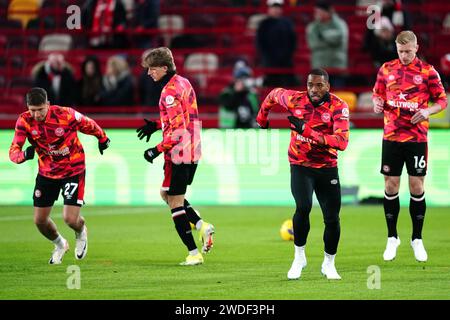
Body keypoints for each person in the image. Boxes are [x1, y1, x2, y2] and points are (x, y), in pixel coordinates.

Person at [256, 68, 350, 280]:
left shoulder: (338, 106)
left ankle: (329, 263)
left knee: (332, 218)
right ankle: (299, 257)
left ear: (328, 86)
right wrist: (262, 118)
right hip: (300, 164)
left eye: (319, 85)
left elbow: (342, 142)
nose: (313, 90)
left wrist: (306, 131)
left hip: (327, 167)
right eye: (310, 85)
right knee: (303, 206)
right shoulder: (294, 99)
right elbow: (272, 95)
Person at [9, 87, 110, 264]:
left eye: (40, 109)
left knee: (70, 219)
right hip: (47, 172)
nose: (37, 114)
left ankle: (80, 231)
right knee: (39, 221)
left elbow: (88, 123)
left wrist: (102, 138)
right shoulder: (24, 121)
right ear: (27, 107)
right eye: (32, 110)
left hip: (73, 169)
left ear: (48, 104)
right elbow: (13, 150)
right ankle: (60, 244)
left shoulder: (65, 114)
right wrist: (23, 156)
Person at [372, 31, 447, 262]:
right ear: (396, 49)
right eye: (400, 51)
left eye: (408, 51)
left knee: (416, 186)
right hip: (392, 136)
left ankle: (417, 238)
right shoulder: (386, 69)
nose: (404, 55)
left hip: (416, 139)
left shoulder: (427, 72)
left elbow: (442, 100)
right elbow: (377, 93)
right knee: (391, 184)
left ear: (416, 48)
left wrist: (427, 110)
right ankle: (392, 237)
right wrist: (376, 102)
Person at [136, 47, 215, 266]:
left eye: (152, 69)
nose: (149, 73)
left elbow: (178, 130)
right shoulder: (184, 82)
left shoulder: (168, 92)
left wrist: (156, 149)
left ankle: (193, 253)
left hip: (179, 150)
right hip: (193, 147)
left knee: (175, 202)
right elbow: (183, 118)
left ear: (164, 68)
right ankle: (201, 226)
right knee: (167, 194)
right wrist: (156, 125)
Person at [256, 0, 299, 87]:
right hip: (270, 63)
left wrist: (287, 56)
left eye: (278, 7)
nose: (276, 10)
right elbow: (260, 43)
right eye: (273, 7)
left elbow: (293, 41)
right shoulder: (264, 24)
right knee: (272, 89)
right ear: (269, 9)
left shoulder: (287, 23)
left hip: (286, 63)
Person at [306, 0, 348, 87]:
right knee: (320, 98)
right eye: (316, 11)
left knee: (337, 97)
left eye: (319, 11)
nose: (316, 14)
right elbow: (313, 44)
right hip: (319, 69)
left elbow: (339, 37)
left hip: (337, 68)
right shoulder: (312, 27)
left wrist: (322, 35)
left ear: (327, 12)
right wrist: (331, 42)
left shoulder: (340, 24)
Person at [219, 60, 259, 128]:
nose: (244, 81)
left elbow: (256, 112)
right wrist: (236, 92)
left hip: (249, 129)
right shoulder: (227, 92)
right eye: (241, 78)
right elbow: (228, 106)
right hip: (230, 130)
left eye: (246, 78)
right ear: (235, 79)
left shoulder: (252, 94)